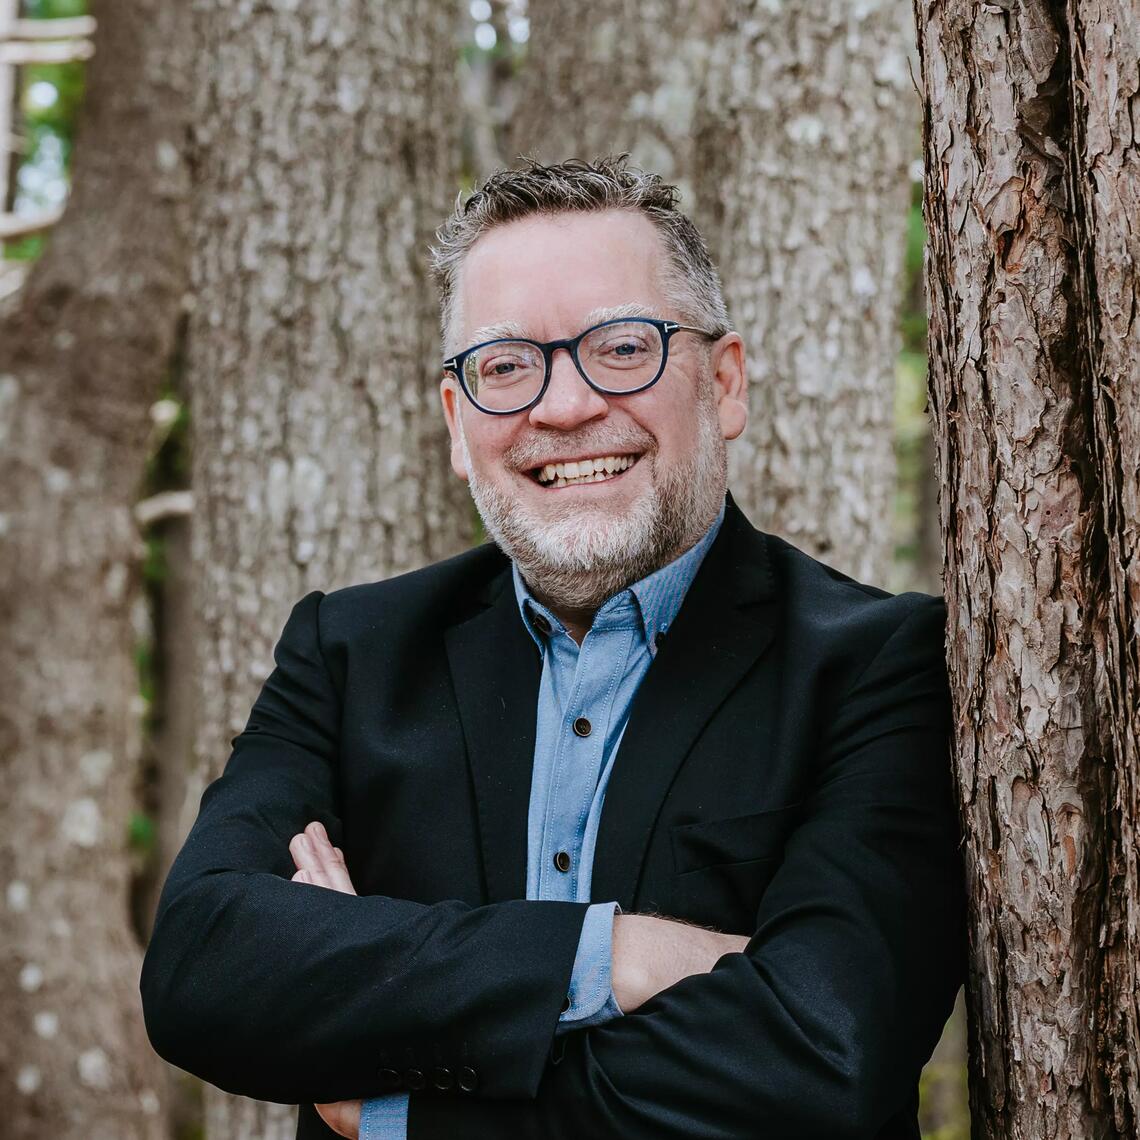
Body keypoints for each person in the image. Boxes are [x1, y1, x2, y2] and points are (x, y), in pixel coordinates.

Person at [140, 157, 966, 1140]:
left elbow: (824, 1059)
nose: (564, 407)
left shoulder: (879, 665)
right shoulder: (349, 654)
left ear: (724, 384)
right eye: (505, 366)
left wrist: (404, 1107)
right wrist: (616, 955)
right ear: (459, 424)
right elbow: (202, 967)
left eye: (622, 348)